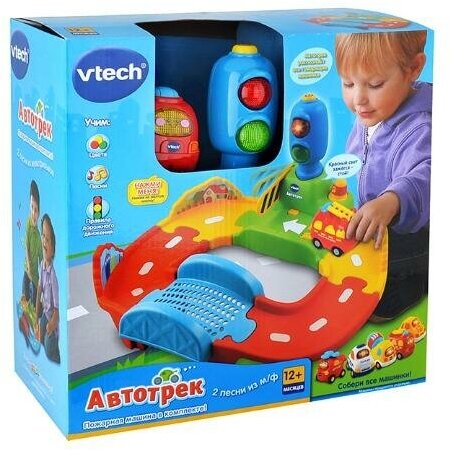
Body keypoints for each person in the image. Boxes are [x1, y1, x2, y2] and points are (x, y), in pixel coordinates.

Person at [335, 31, 431, 321]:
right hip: (382, 221)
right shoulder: (374, 112)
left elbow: (427, 174)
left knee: (374, 258)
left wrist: (391, 200)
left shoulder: (420, 128)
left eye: (375, 84)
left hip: (419, 235)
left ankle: (415, 283)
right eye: (348, 83)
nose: (358, 99)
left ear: (413, 68)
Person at [35, 214, 60, 363]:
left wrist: (52, 325)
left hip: (52, 317)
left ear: (53, 249)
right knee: (40, 340)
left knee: (49, 352)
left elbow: (57, 310)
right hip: (45, 312)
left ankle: (56, 354)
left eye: (48, 239)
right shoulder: (42, 267)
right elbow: (39, 289)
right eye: (43, 236)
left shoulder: (53, 276)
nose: (44, 241)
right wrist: (37, 316)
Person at [22, 180, 42, 309]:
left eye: (36, 210)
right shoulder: (28, 225)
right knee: (25, 291)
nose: (33, 213)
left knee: (35, 297)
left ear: (39, 212)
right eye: (31, 208)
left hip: (35, 274)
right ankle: (26, 304)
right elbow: (27, 246)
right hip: (27, 268)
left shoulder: (39, 236)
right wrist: (29, 266)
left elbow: (41, 257)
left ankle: (37, 307)